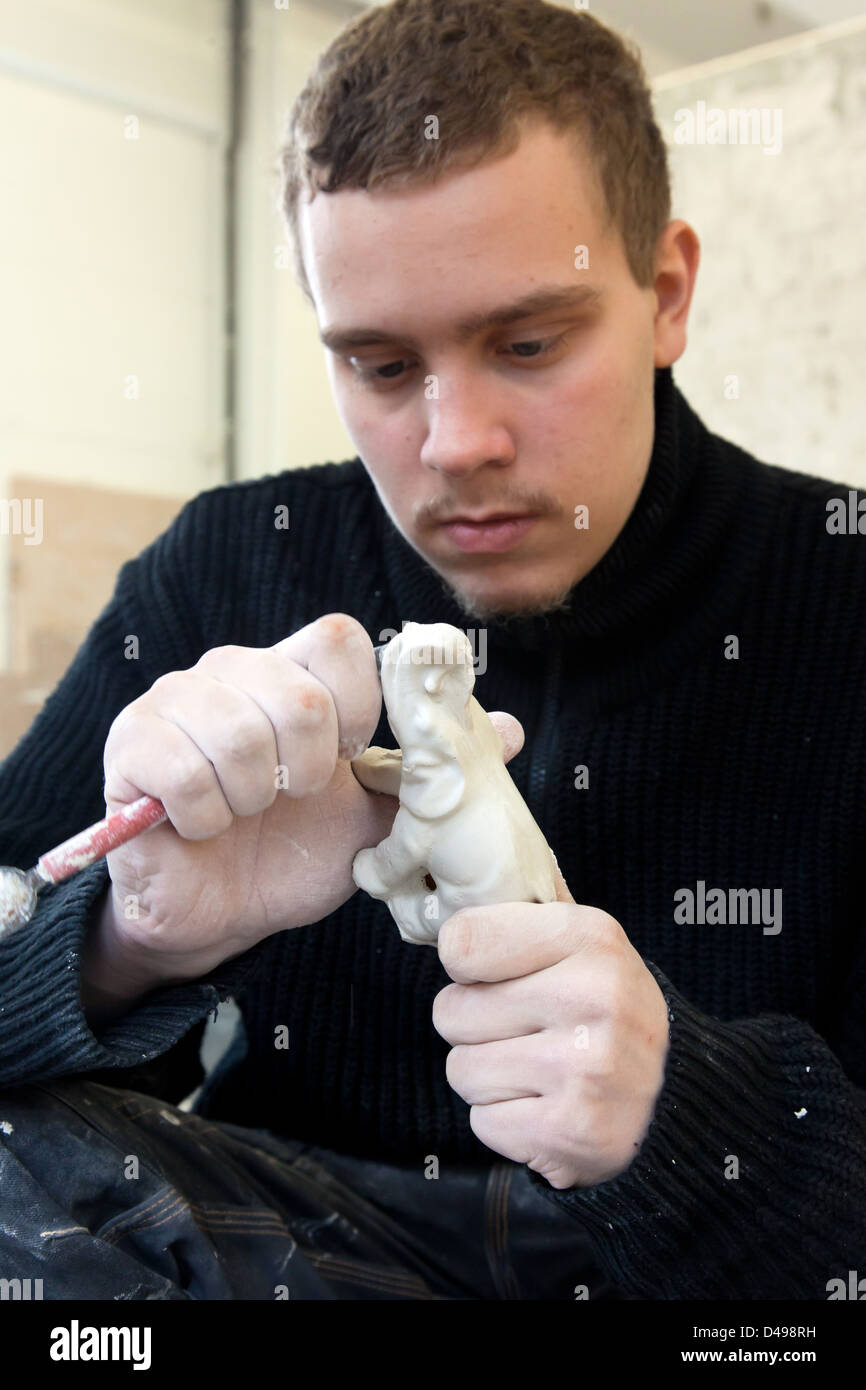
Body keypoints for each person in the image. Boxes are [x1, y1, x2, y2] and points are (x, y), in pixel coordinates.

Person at [0, 0, 863, 1302]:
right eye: (383, 364)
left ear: (666, 292)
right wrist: (125, 939)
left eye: (526, 343)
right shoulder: (229, 563)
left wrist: (689, 1117)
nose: (454, 441)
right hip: (300, 1250)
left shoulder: (842, 598)